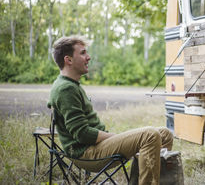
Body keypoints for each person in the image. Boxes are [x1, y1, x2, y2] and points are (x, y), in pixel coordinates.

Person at [48, 36, 173, 185]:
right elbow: (82, 134)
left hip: (95, 147)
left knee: (164, 134)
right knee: (150, 135)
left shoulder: (70, 84)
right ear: (68, 60)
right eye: (83, 53)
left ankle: (141, 181)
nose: (88, 57)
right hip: (86, 153)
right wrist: (114, 137)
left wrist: (116, 138)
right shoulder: (65, 89)